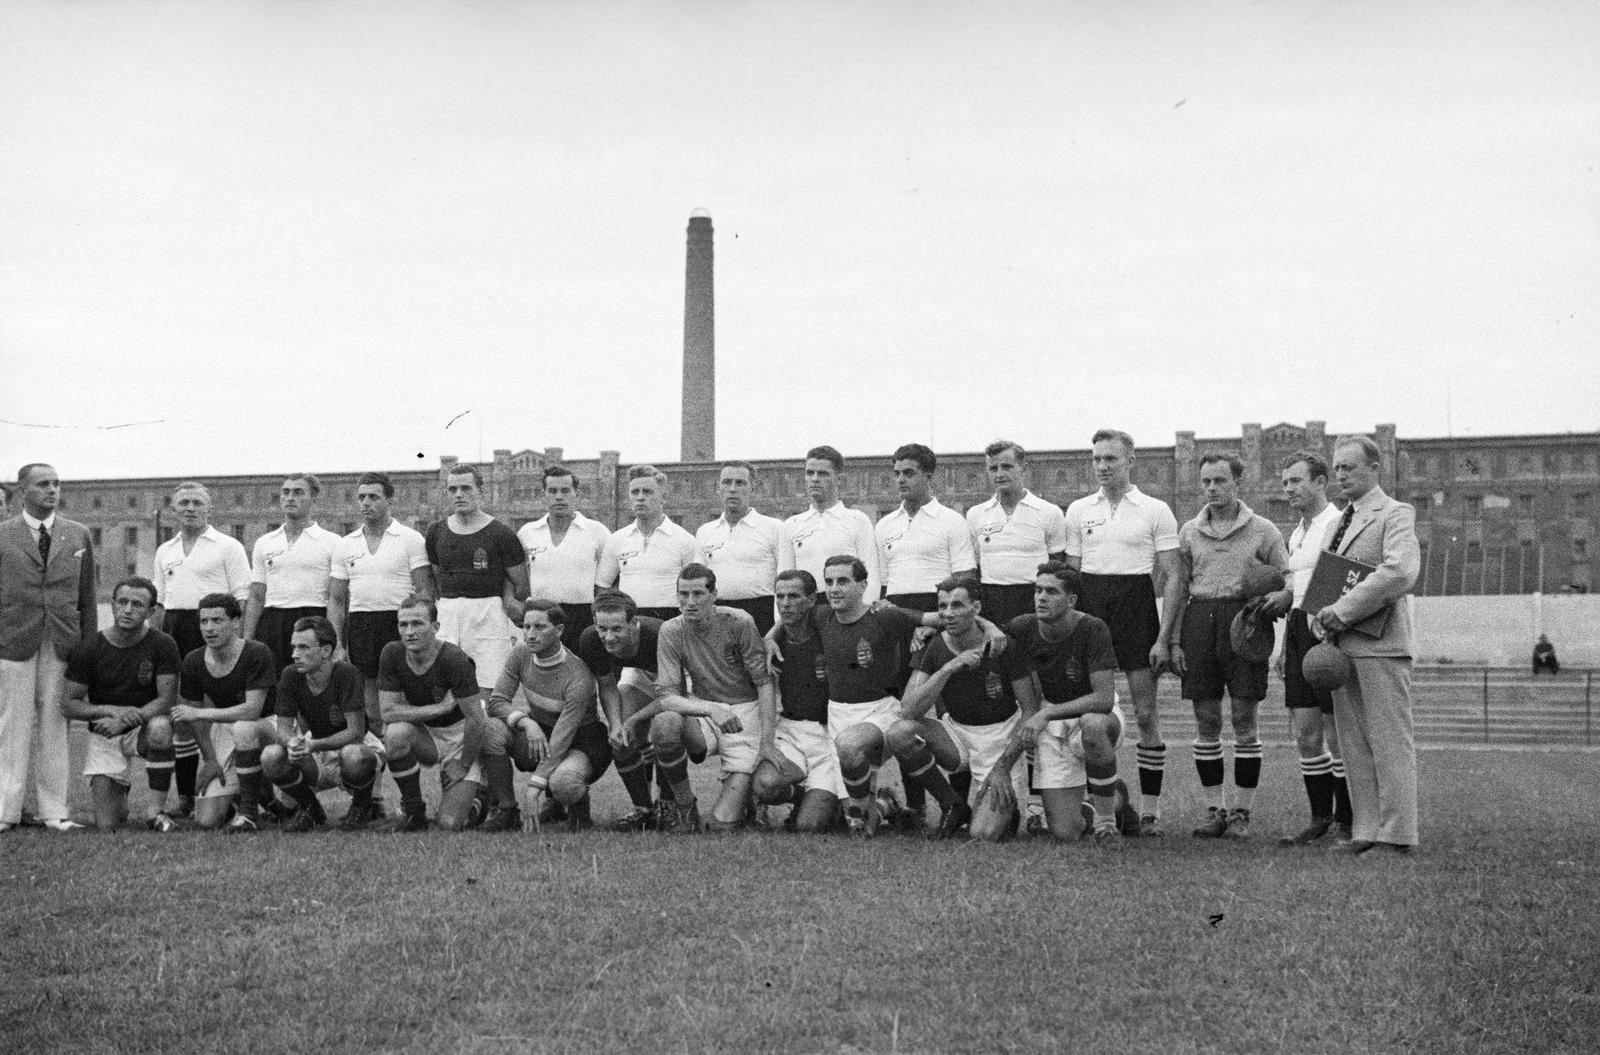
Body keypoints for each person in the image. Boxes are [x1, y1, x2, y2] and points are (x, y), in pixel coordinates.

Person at [1161, 451, 1288, 840]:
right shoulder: (1188, 531)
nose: (1212, 489)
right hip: (1201, 620)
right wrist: (1176, 640)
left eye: (1220, 481)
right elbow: (1179, 588)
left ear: (1238, 484)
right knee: (1207, 720)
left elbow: (1286, 577)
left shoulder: (1264, 529)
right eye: (1206, 482)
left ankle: (1241, 813)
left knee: (1245, 721)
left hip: (1245, 620)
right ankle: (1214, 809)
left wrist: (1276, 599)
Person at [1063, 429, 1183, 837]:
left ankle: (1150, 811)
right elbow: (1072, 578)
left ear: (1130, 461)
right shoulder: (1079, 510)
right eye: (1097, 459)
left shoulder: (1155, 509)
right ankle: (1094, 803)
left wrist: (1165, 637)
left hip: (1136, 609)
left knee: (1146, 713)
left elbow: (1172, 576)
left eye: (1111, 458)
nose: (1102, 466)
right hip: (1092, 610)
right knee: (1087, 712)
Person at [1314, 435, 1421, 855]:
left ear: (1375, 468)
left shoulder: (1395, 513)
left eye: (1349, 467)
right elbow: (1329, 576)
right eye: (1337, 468)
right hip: (1343, 649)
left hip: (1382, 646)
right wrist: (1318, 617)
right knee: (1353, 744)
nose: (1341, 475)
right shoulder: (1339, 520)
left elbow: (1399, 572)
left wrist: (1340, 610)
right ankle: (1366, 830)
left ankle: (1397, 836)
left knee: (1389, 741)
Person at [886, 576, 1041, 840]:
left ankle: (1008, 809)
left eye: (957, 605)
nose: (948, 613)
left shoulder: (1002, 644)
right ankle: (953, 804)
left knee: (983, 834)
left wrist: (1002, 767)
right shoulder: (935, 644)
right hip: (957, 734)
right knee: (899, 733)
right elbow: (907, 709)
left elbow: (1030, 710)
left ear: (976, 609)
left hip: (1000, 738)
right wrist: (948, 668)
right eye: (942, 606)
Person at [1259, 451, 1352, 845]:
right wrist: (1283, 646)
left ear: (1319, 482)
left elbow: (1343, 581)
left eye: (1295, 481)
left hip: (1326, 626)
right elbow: (1296, 588)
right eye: (1284, 483)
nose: (1288, 489)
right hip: (1298, 628)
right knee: (1306, 731)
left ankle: (1348, 819)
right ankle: (1319, 818)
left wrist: (1328, 632)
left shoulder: (1339, 523)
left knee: (1336, 731)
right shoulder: (1297, 532)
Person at [0, 463, 97, 832]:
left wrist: (87, 650)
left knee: (57, 725)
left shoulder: (78, 534)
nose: (52, 490)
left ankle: (54, 812)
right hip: (13, 641)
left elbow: (87, 597)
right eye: (43, 484)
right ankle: (6, 811)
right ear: (22, 490)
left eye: (56, 484)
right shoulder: (3, 534)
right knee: (12, 726)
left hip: (62, 642)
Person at [1006, 563, 1131, 844]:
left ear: (1071, 600)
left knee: (1093, 725)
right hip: (1052, 720)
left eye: (1051, 591)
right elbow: (988, 630)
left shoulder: (1093, 628)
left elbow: (1102, 699)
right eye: (1037, 590)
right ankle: (1117, 799)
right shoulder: (1022, 626)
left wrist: (1046, 713)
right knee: (1065, 832)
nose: (1041, 597)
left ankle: (1106, 824)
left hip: (1095, 713)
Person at [149, 481, 251, 819]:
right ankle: (186, 797)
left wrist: (242, 641)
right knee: (182, 720)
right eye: (183, 503)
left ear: (209, 508)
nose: (190, 508)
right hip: (176, 633)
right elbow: (161, 603)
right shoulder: (166, 550)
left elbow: (242, 598)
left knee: (210, 715)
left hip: (214, 630)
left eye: (196, 503)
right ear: (174, 509)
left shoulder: (228, 546)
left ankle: (235, 787)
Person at [648, 564, 774, 834]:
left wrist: (766, 741)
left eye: (698, 594)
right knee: (665, 724)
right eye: (683, 594)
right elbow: (667, 697)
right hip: (706, 712)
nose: (689, 602)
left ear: (714, 594)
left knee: (720, 827)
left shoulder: (739, 621)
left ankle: (752, 799)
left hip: (745, 712)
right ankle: (685, 806)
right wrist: (710, 709)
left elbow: (764, 683)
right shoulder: (671, 630)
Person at [59, 577, 180, 831]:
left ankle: (155, 812)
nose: (127, 610)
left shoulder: (163, 644)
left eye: (137, 604)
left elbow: (166, 700)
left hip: (143, 727)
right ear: (112, 605)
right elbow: (68, 704)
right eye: (122, 602)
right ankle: (120, 786)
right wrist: (110, 711)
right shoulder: (90, 647)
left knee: (161, 728)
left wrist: (125, 720)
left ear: (151, 611)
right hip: (105, 731)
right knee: (108, 824)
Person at [378, 595, 506, 832]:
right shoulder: (392, 653)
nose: (409, 632)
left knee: (449, 825)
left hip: (461, 736)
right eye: (403, 625)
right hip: (427, 733)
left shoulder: (453, 658)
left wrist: (463, 764)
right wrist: (439, 708)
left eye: (417, 623)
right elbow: (387, 712)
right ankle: (413, 812)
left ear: (435, 628)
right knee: (395, 734)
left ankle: (481, 794)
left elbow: (477, 720)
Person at [486, 599, 613, 831]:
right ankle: (507, 810)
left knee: (562, 782)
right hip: (541, 730)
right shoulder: (521, 654)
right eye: (526, 627)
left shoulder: (578, 676)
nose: (530, 634)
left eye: (540, 627)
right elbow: (496, 702)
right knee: (491, 731)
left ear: (559, 631)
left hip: (582, 739)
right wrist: (526, 723)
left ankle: (578, 811)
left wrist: (534, 786)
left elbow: (562, 737)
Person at [258, 615, 386, 831]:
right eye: (294, 647)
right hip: (316, 748)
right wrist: (292, 743)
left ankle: (362, 807)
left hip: (352, 747)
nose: (294, 655)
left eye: (303, 648)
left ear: (326, 651)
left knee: (354, 756)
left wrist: (313, 745)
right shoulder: (290, 675)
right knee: (271, 756)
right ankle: (309, 808)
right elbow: (282, 729)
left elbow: (355, 733)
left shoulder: (347, 674)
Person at [328, 471, 432, 735]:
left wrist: (420, 632)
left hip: (399, 626)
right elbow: (337, 600)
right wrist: (338, 644)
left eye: (373, 497)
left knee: (403, 708)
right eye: (361, 497)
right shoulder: (345, 544)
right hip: (362, 627)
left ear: (390, 500)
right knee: (372, 713)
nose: (366, 503)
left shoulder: (411, 539)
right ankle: (375, 768)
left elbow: (425, 591)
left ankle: (407, 762)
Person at [170, 593, 278, 831]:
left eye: (217, 621)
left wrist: (200, 714)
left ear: (236, 622)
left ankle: (253, 810)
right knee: (206, 820)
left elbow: (252, 711)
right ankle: (242, 797)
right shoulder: (193, 661)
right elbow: (193, 715)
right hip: (224, 725)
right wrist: (209, 760)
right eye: (204, 621)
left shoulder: (257, 652)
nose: (209, 628)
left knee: (244, 729)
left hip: (266, 725)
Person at [751, 570, 843, 833]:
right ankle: (799, 795)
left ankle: (881, 800)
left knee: (809, 827)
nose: (785, 602)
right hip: (790, 731)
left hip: (827, 736)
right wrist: (768, 638)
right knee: (766, 784)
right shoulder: (772, 646)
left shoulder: (828, 628)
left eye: (794, 596)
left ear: (812, 599)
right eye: (780, 596)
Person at [425, 464, 528, 696]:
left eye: (466, 488)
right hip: (449, 613)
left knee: (486, 688)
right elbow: (437, 575)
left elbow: (521, 583)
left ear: (481, 491)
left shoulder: (501, 533)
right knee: (445, 686)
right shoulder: (436, 532)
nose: (459, 494)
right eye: (453, 489)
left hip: (488, 613)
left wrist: (507, 601)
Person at [576, 591, 669, 831]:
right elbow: (607, 686)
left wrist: (636, 719)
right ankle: (644, 809)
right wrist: (616, 724)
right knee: (621, 738)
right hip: (638, 675)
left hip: (676, 683)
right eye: (602, 628)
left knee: (667, 729)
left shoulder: (659, 635)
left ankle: (669, 806)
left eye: (617, 629)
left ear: (634, 623)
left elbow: (671, 695)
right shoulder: (590, 639)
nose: (608, 637)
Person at [244, 474, 339, 674]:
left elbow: (336, 598)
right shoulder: (264, 542)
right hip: (273, 622)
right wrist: (247, 640)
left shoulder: (332, 542)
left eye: (298, 492)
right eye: (285, 492)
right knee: (274, 684)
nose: (290, 498)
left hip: (314, 619)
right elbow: (256, 596)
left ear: (314, 499)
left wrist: (336, 641)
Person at [965, 441, 1067, 627]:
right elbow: (977, 564)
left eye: (1006, 467)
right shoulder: (975, 514)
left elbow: (1057, 565)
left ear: (1023, 468)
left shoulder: (1049, 512)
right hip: (992, 600)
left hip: (1034, 599)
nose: (999, 474)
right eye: (993, 468)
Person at [694, 460, 792, 636]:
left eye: (740, 483)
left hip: (762, 617)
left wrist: (777, 629)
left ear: (753, 488)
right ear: (718, 488)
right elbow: (698, 584)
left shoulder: (775, 528)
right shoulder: (705, 531)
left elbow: (786, 581)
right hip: (717, 618)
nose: (732, 489)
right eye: (727, 482)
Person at [875, 443, 978, 610]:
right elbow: (884, 581)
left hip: (938, 608)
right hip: (894, 613)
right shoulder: (884, 525)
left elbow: (965, 579)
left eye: (909, 473)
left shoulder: (953, 520)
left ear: (928, 477)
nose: (900, 480)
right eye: (897, 474)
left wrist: (942, 617)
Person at [518, 465, 610, 650]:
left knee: (586, 673)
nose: (559, 496)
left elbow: (609, 580)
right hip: (541, 618)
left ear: (576, 493)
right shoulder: (527, 532)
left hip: (583, 616)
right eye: (552, 491)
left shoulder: (597, 531)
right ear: (543, 494)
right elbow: (516, 579)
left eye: (565, 490)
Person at [596, 464, 697, 622]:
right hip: (628, 622)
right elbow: (603, 586)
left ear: (664, 497)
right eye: (635, 492)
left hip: (670, 620)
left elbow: (695, 588)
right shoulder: (617, 539)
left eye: (648, 492)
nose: (640, 497)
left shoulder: (685, 540)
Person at [784, 445, 881, 604]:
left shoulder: (857, 520)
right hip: (806, 609)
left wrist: (864, 616)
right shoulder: (791, 525)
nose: (814, 479)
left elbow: (871, 575)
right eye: (810, 473)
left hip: (847, 607)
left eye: (822, 474)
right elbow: (784, 578)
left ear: (839, 480)